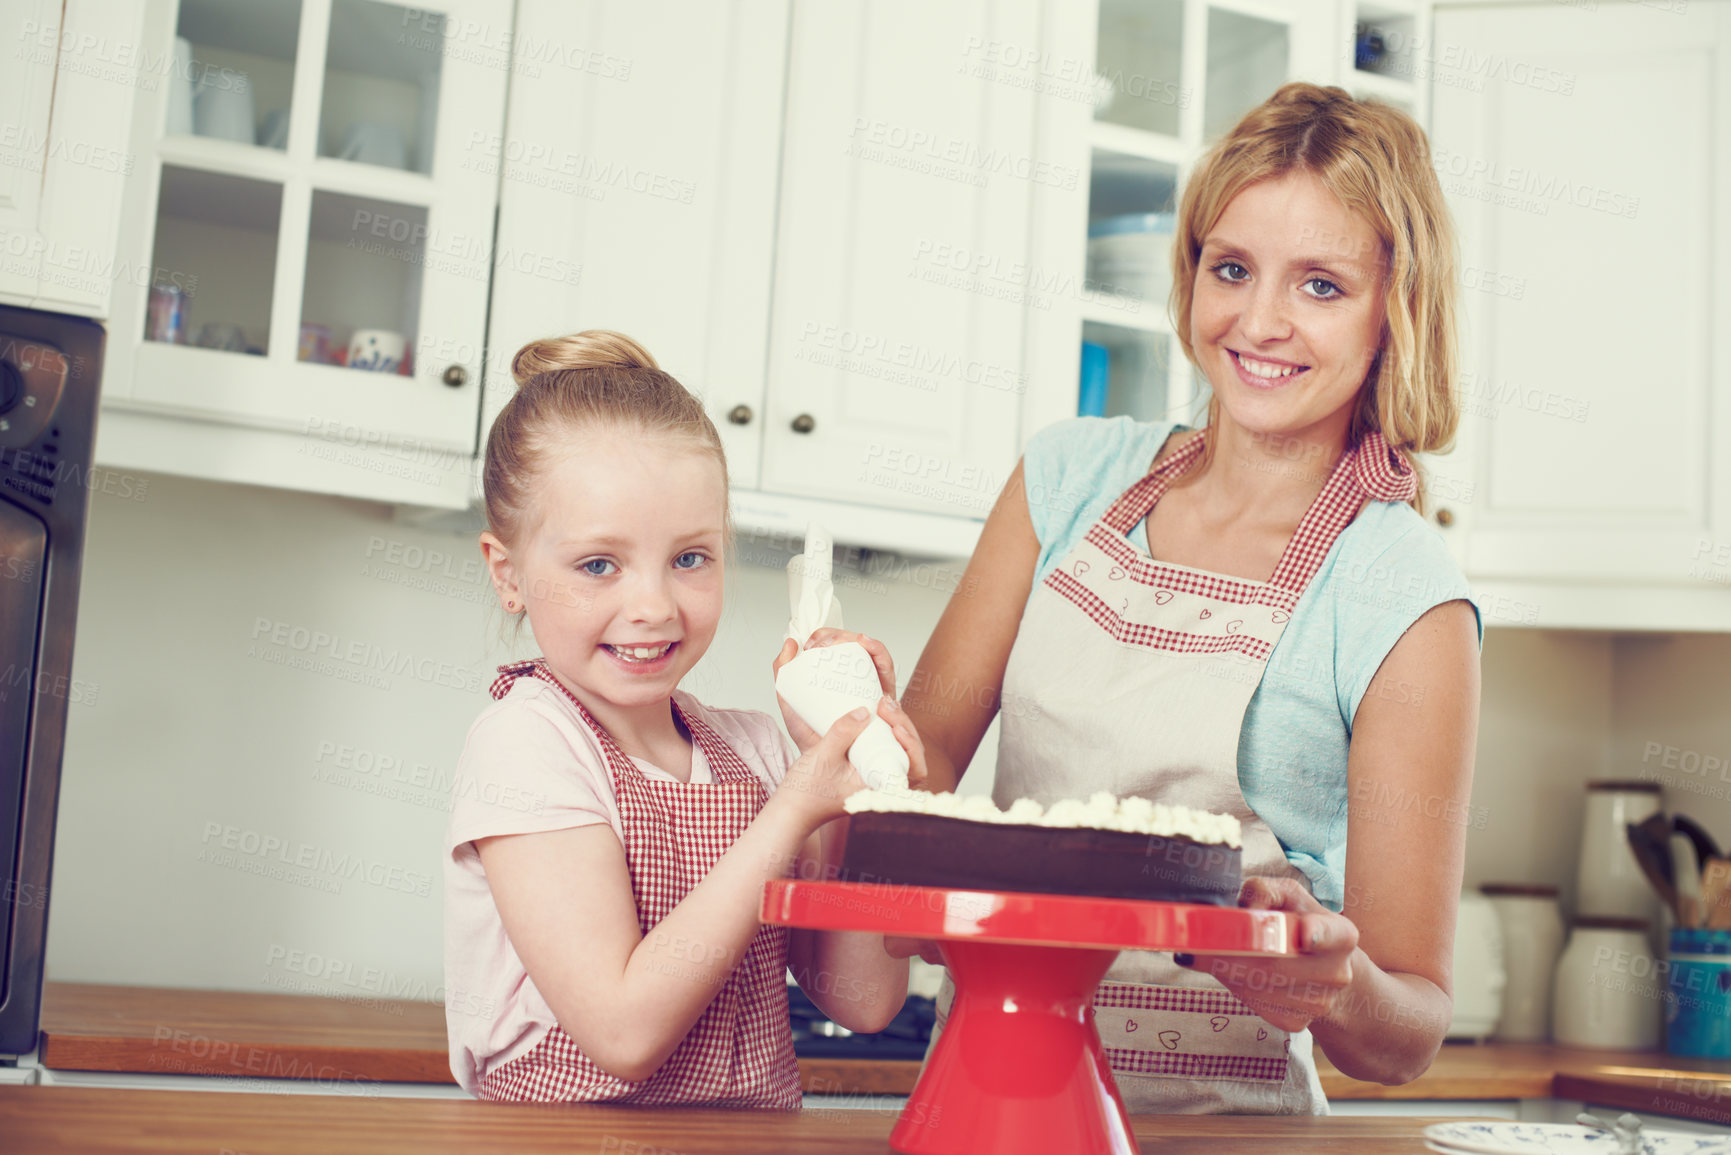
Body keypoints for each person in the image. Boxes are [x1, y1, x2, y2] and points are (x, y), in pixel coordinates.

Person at [895, 82, 1484, 1113]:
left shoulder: (1402, 593)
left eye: (1321, 286)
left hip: (1229, 1135)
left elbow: (1411, 1029)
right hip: (994, 1100)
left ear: (1397, 307)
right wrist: (852, 732)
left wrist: (1329, 981)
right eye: (1232, 269)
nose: (1258, 322)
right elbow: (913, 774)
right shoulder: (1064, 481)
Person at [442, 330, 916, 1105]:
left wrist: (855, 792)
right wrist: (793, 807)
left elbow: (862, 999)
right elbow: (622, 1032)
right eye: (599, 564)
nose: (654, 605)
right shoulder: (527, 745)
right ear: (509, 574)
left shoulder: (757, 750)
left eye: (690, 557)